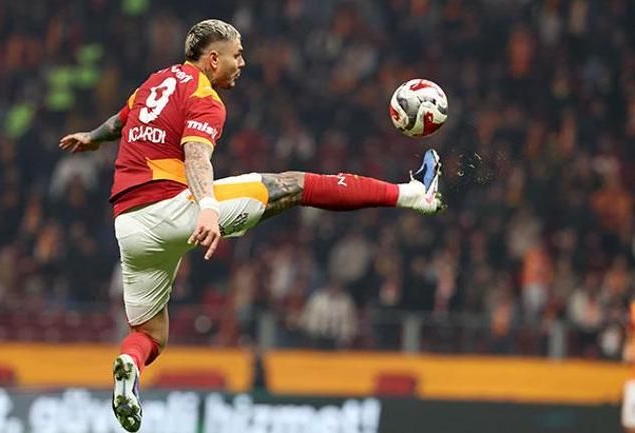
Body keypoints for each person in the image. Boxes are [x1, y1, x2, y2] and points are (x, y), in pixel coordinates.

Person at [58, 19, 444, 432]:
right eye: (236, 55)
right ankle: (414, 195)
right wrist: (207, 208)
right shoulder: (205, 99)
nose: (242, 63)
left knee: (150, 333)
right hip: (179, 209)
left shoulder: (155, 82)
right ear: (212, 59)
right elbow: (196, 157)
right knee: (293, 185)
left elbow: (121, 120)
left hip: (129, 224)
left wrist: (93, 137)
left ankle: (129, 364)